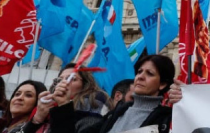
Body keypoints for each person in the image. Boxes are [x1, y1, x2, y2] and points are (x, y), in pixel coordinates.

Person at [43, 54, 176, 133]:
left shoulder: (168, 119)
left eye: (150, 74)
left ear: (162, 84)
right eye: (139, 72)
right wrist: (64, 105)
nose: (140, 77)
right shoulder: (114, 114)